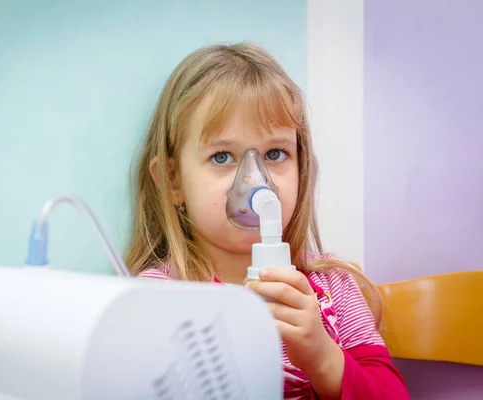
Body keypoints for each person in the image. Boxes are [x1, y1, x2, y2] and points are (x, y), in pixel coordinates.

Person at [124, 42, 410, 399]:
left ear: (301, 167)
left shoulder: (333, 289)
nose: (255, 181)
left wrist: (323, 357)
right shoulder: (156, 298)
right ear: (173, 181)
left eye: (275, 154)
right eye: (222, 156)